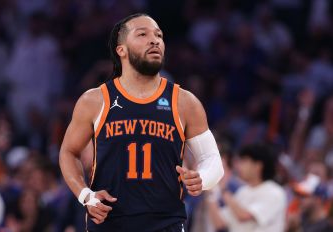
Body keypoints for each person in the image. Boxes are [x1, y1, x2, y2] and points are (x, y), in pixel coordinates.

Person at [59, 13, 224, 231]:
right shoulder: (95, 100)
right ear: (121, 50)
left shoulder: (185, 102)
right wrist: (85, 195)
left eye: (159, 35)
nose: (154, 40)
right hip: (109, 223)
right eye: (143, 34)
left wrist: (202, 177)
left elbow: (212, 160)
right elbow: (68, 152)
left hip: (166, 224)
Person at [207, 143, 287, 232]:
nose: (239, 166)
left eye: (244, 161)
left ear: (258, 166)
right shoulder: (243, 192)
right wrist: (211, 192)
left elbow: (243, 216)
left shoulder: (274, 192)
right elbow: (220, 224)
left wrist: (223, 189)